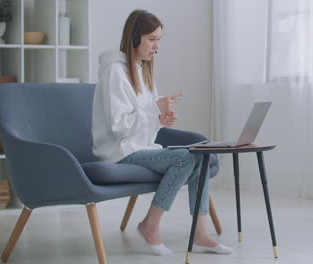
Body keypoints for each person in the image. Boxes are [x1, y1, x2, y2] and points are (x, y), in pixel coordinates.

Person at [91, 9, 233, 255]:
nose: (156, 46)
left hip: (139, 148)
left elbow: (146, 121)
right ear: (134, 37)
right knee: (185, 158)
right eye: (151, 39)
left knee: (200, 155)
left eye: (159, 40)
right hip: (118, 151)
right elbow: (117, 127)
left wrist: (160, 118)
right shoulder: (114, 70)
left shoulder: (143, 70)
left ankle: (201, 234)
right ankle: (150, 226)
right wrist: (153, 109)